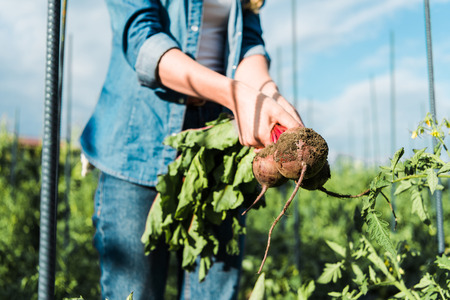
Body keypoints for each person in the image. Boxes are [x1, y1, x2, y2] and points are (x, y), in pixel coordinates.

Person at [80, 0, 303, 299]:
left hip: (219, 152)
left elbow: (248, 42)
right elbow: (141, 38)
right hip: (139, 140)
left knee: (212, 290)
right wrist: (235, 94)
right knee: (134, 292)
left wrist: (267, 93)